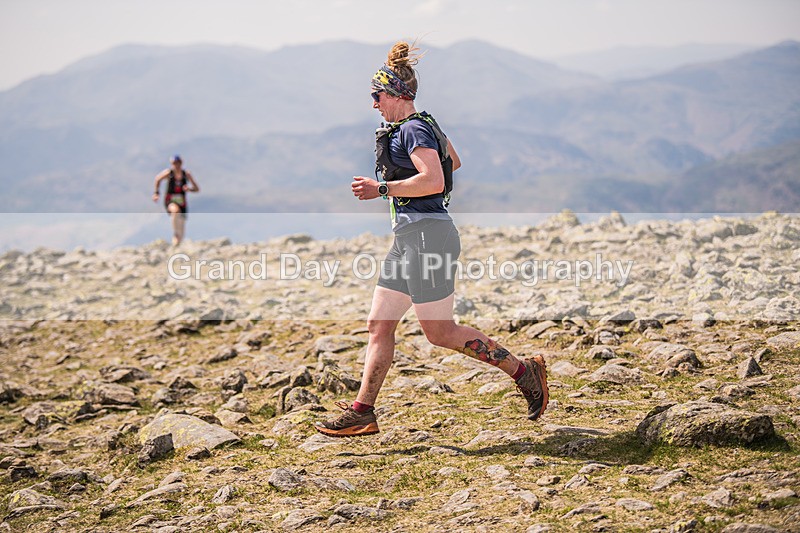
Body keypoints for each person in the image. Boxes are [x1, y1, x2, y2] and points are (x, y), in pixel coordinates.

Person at [315, 41, 548, 438]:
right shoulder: (424, 125)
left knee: (440, 332)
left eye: (377, 95)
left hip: (428, 238)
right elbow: (452, 161)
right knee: (378, 324)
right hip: (411, 238)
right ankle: (362, 412)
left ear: (395, 94)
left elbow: (436, 178)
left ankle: (525, 372)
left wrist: (383, 188)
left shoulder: (414, 128)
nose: (373, 104)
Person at [152, 155, 199, 246]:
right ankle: (176, 233)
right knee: (175, 211)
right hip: (170, 200)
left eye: (178, 163)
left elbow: (197, 189)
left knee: (182, 228)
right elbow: (158, 179)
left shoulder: (186, 174)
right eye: (174, 163)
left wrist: (189, 189)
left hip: (182, 202)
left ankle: (176, 244)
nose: (176, 165)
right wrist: (156, 193)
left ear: (181, 163)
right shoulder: (169, 173)